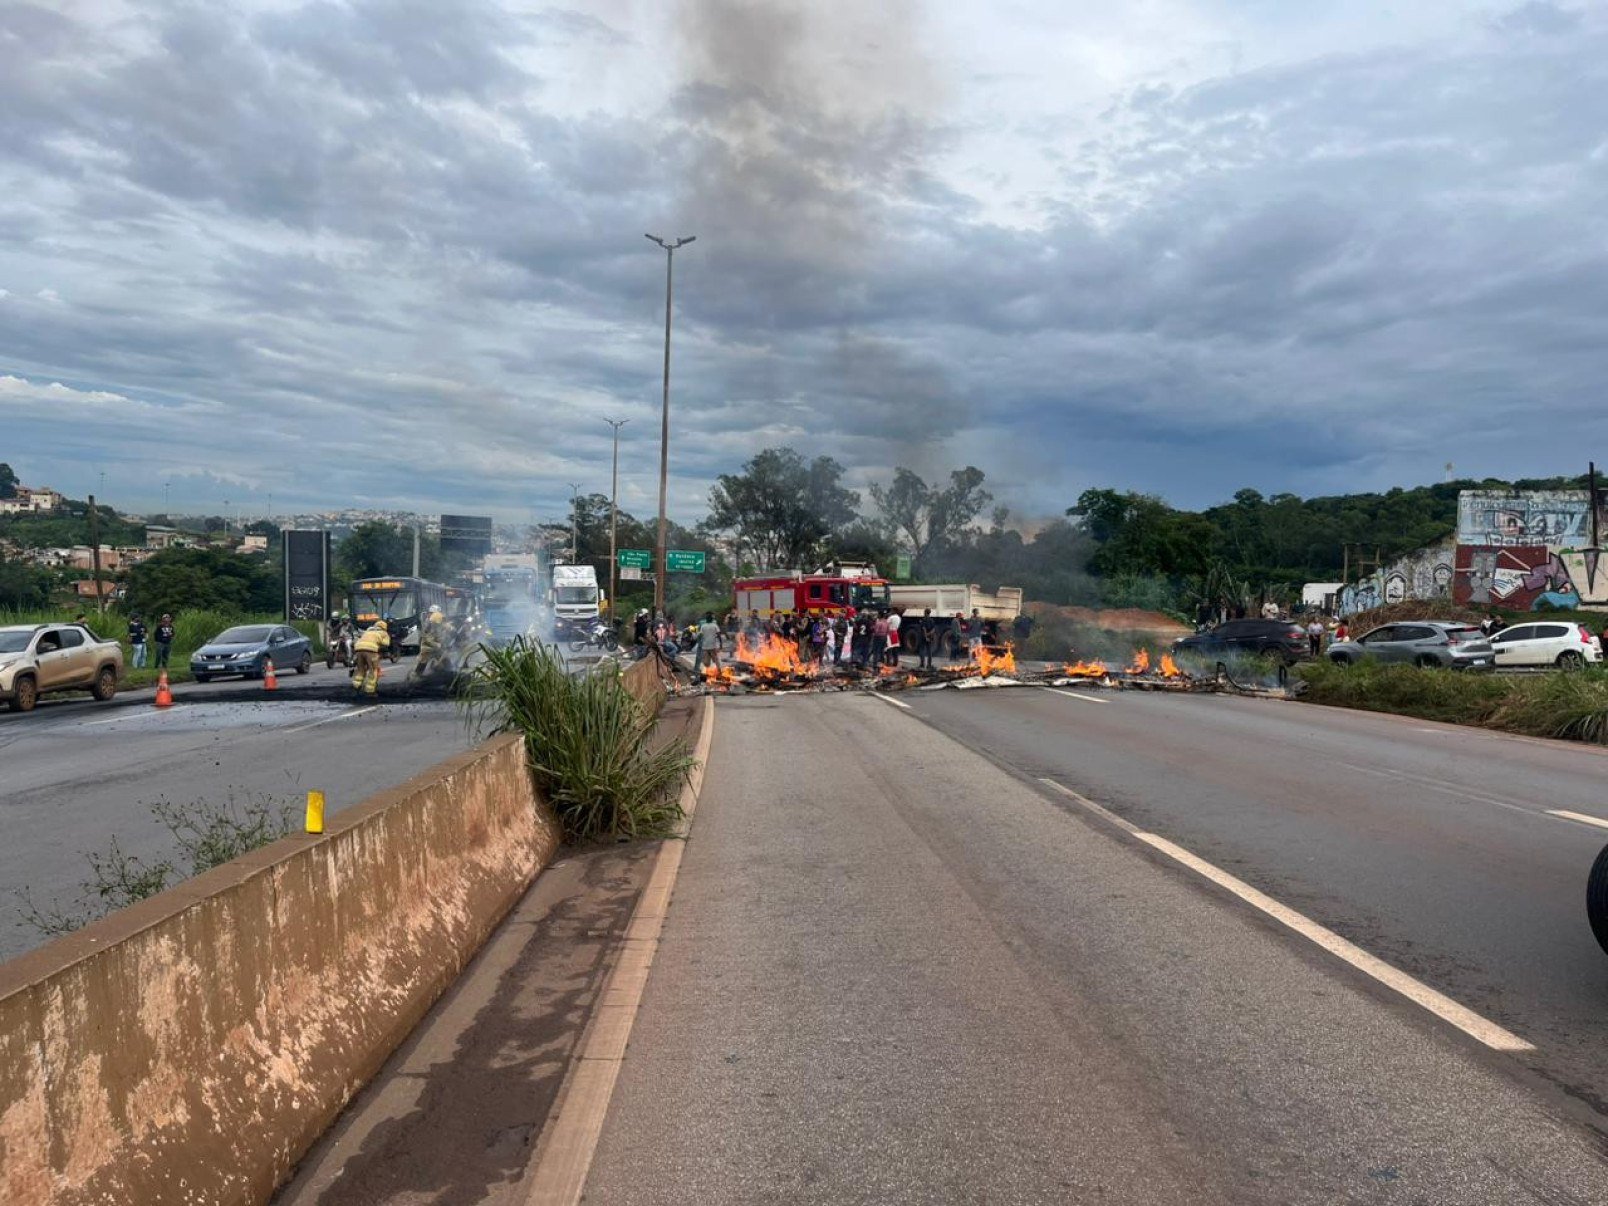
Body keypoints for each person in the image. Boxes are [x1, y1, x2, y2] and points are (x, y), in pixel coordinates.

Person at [352, 619, 390, 696]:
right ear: (384, 627)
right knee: (373, 670)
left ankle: (356, 688)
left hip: (358, 649)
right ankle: (370, 692)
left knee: (360, 670)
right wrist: (379, 643)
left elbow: (359, 639)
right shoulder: (384, 633)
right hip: (371, 650)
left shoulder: (368, 631)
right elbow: (386, 644)